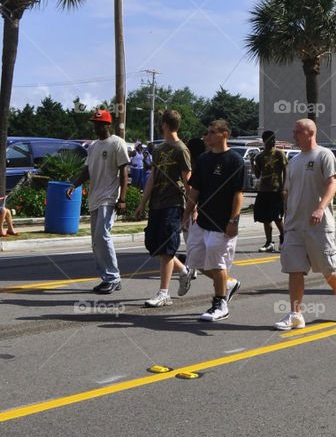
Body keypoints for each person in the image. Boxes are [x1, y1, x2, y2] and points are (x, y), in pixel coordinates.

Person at [272, 118, 336, 330]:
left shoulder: (324, 155)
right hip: (295, 225)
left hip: (318, 223)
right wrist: (287, 217)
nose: (294, 136)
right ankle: (295, 314)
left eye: (298, 132)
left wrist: (320, 208)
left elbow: (332, 183)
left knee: (328, 268)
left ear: (311, 133)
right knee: (294, 269)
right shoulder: (295, 160)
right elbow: (290, 192)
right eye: (294, 131)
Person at [182, 118, 244, 322]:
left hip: (222, 223)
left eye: (211, 132)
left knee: (217, 265)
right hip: (202, 221)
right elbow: (195, 190)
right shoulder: (203, 159)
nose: (206, 136)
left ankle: (220, 304)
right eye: (206, 132)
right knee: (195, 261)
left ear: (224, 134)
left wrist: (233, 221)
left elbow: (238, 194)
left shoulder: (234, 160)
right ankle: (229, 283)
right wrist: (187, 213)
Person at [134, 108, 194, 306]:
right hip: (156, 204)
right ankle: (184, 271)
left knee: (167, 249)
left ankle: (163, 293)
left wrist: (192, 208)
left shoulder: (181, 149)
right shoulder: (159, 150)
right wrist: (142, 203)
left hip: (173, 203)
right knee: (155, 246)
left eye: (160, 124)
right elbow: (152, 178)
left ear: (165, 125)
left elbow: (188, 181)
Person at [66, 108, 129, 294]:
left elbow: (124, 171)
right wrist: (74, 185)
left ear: (108, 124)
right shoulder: (93, 146)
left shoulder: (117, 143)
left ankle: (114, 277)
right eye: (95, 123)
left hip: (109, 198)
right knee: (96, 241)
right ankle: (106, 277)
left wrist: (122, 198)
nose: (96, 127)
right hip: (94, 197)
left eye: (100, 124)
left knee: (103, 236)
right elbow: (87, 170)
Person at [252, 130, 286, 251]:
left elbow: (285, 170)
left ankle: (283, 238)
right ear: (264, 141)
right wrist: (252, 163)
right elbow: (257, 174)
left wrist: (284, 187)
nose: (273, 141)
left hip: (276, 190)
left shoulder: (279, 154)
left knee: (277, 217)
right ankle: (269, 242)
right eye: (270, 139)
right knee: (265, 218)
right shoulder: (260, 156)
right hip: (264, 190)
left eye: (274, 139)